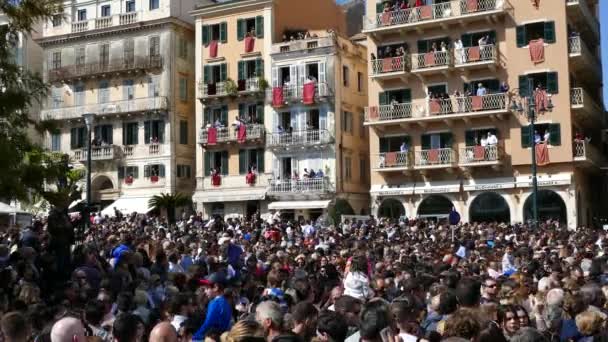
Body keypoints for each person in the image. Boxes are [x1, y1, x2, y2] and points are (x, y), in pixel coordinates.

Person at [193, 272, 233, 340]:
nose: (205, 292)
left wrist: (195, 337)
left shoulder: (215, 303)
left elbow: (208, 324)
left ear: (215, 287)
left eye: (207, 288)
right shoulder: (225, 302)